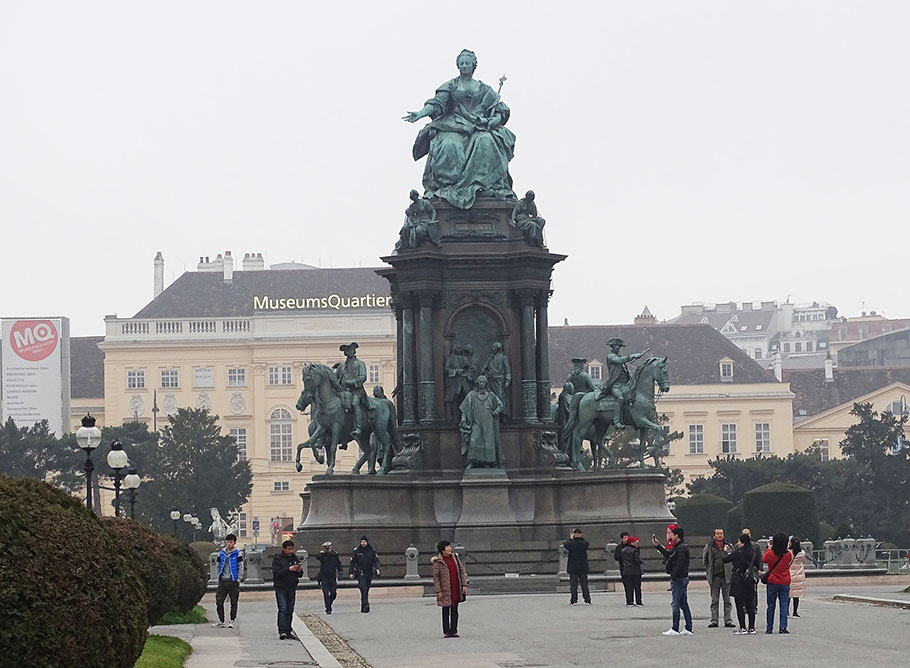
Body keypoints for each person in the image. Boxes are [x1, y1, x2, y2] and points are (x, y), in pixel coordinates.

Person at [402, 49, 516, 210]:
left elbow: (499, 111)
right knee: (449, 145)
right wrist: (421, 113)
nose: (464, 66)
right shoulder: (451, 86)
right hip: (453, 125)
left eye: (467, 63)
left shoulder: (484, 89)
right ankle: (448, 187)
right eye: (461, 63)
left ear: (474, 65)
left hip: (478, 127)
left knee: (487, 142)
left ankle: (480, 186)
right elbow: (436, 103)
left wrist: (493, 120)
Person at [596, 338, 648, 428]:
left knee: (634, 397)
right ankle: (616, 421)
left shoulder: (619, 357)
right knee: (620, 398)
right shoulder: (610, 357)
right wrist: (632, 356)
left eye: (619, 346)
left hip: (625, 384)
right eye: (616, 345)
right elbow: (619, 360)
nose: (618, 347)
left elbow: (625, 370)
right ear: (612, 346)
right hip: (616, 385)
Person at [653, 526, 693, 636]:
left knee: (675, 604)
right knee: (683, 604)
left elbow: (680, 564)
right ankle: (688, 628)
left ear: (677, 536)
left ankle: (675, 628)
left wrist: (673, 576)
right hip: (682, 578)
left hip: (679, 579)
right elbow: (669, 554)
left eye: (673, 534)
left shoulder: (680, 548)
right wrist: (658, 546)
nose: (671, 536)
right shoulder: (679, 546)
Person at [459, 375, 505, 469]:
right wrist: (463, 420)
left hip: (488, 424)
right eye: (480, 382)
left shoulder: (491, 395)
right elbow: (464, 409)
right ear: (477, 383)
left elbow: (500, 404)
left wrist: (495, 412)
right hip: (476, 423)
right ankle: (471, 462)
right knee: (474, 440)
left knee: (488, 442)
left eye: (483, 382)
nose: (481, 384)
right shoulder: (471, 395)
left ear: (486, 383)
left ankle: (487, 462)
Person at [723, 532, 761, 635]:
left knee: (739, 605)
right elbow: (757, 564)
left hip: (738, 580)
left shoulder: (737, 553)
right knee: (750, 605)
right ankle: (751, 627)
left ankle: (742, 627)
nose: (738, 543)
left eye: (739, 541)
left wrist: (725, 552)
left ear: (742, 542)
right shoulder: (753, 553)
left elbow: (725, 560)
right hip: (749, 580)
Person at [431, 541, 469, 638]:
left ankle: (454, 630)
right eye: (447, 547)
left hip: (455, 587)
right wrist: (438, 591)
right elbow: (436, 578)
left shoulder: (455, 557)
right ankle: (447, 631)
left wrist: (464, 584)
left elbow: (462, 571)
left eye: (449, 546)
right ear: (442, 550)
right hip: (445, 589)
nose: (450, 548)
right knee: (445, 611)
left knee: (455, 610)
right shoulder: (438, 561)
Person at [702, 528, 735, 628]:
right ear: (714, 536)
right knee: (714, 600)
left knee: (727, 600)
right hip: (715, 577)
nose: (720, 535)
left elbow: (733, 558)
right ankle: (714, 620)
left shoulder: (729, 547)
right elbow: (705, 561)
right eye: (718, 534)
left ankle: (728, 620)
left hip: (726, 577)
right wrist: (709, 572)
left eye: (721, 533)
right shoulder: (709, 547)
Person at [271, 540, 303, 640]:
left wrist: (299, 570)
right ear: (283, 549)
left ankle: (288, 630)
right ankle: (282, 631)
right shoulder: (278, 558)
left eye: (292, 549)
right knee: (283, 609)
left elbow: (300, 575)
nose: (290, 551)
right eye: (288, 549)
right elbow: (277, 573)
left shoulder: (294, 557)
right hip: (281, 587)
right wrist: (289, 569)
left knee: (290, 610)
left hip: (291, 587)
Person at [762, 533, 793, 634]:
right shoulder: (788, 554)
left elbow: (764, 560)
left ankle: (769, 628)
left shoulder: (770, 553)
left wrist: (768, 548)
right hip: (784, 581)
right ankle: (783, 627)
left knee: (771, 605)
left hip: (772, 581)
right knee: (784, 605)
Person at [336, 342, 369, 436]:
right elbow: (335, 377)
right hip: (343, 392)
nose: (349, 352)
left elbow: (363, 376)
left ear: (354, 351)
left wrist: (352, 382)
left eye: (351, 350)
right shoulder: (341, 366)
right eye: (347, 350)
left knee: (354, 404)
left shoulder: (359, 363)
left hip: (356, 391)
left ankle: (358, 427)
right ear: (345, 353)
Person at [212, 534, 244, 629]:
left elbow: (241, 567)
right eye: (227, 542)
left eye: (231, 542)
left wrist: (238, 579)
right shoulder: (221, 553)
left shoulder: (238, 554)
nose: (229, 544)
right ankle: (221, 620)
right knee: (219, 601)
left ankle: (231, 620)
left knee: (233, 602)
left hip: (233, 581)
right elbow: (217, 565)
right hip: (223, 581)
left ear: (234, 543)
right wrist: (218, 576)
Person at [350, 536, 380, 613]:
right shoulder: (357, 551)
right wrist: (351, 572)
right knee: (363, 588)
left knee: (366, 588)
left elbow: (376, 561)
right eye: (362, 542)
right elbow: (352, 562)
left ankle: (364, 606)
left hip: (369, 572)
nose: (363, 543)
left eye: (364, 542)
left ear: (367, 542)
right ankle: (366, 604)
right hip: (360, 572)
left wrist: (377, 569)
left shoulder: (372, 550)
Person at [563, 528, 592, 605]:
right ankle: (587, 599)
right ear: (581, 534)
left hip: (573, 567)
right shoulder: (584, 543)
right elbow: (587, 543)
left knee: (573, 585)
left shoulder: (571, 543)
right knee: (584, 585)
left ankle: (573, 600)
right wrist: (581, 538)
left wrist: (571, 538)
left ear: (574, 534)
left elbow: (565, 544)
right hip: (583, 567)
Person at [315, 541, 344, 615]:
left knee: (333, 593)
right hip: (324, 576)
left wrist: (340, 572)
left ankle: (329, 603)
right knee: (325, 593)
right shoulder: (322, 555)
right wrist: (322, 552)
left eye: (328, 547)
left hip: (332, 577)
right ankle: (328, 608)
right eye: (326, 548)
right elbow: (317, 557)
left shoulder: (334, 555)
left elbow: (338, 564)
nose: (327, 549)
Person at [620, 537, 644, 607]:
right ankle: (638, 602)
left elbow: (622, 558)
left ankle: (629, 601)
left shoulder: (623, 550)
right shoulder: (635, 550)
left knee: (628, 587)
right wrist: (641, 562)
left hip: (626, 570)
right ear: (632, 543)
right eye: (635, 542)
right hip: (635, 571)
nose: (637, 543)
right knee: (637, 587)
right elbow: (637, 560)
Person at [789, 537, 807, 618]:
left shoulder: (789, 552)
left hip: (790, 573)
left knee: (788, 595)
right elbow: (803, 561)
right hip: (799, 574)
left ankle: (786, 611)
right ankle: (795, 612)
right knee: (796, 595)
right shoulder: (802, 553)